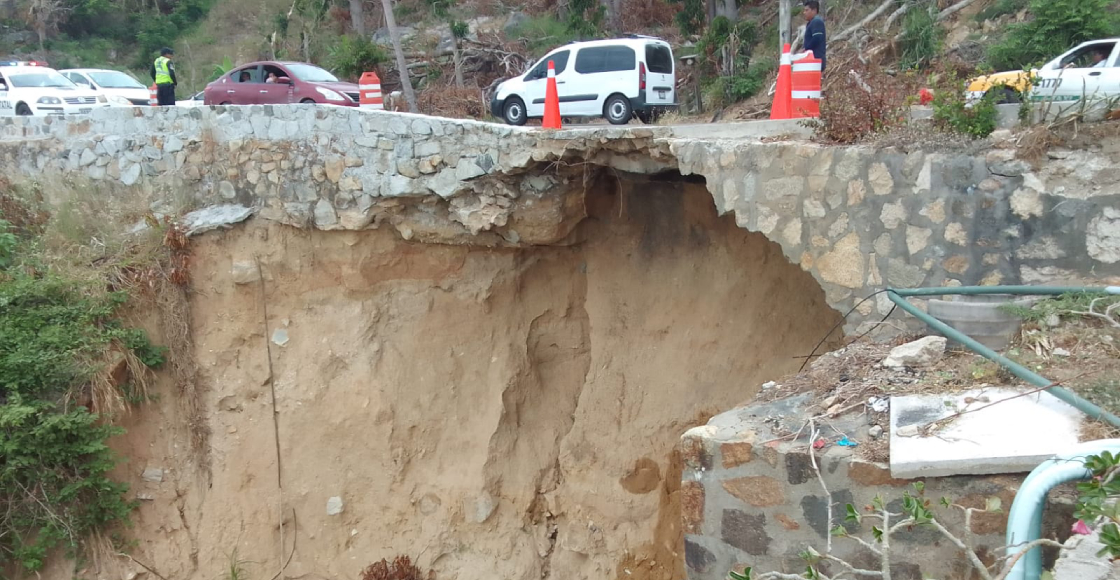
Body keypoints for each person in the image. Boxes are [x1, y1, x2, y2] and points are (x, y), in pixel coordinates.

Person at [803, 0, 826, 72]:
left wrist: (806, 49)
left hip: (816, 59)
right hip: (812, 60)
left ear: (814, 10)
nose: (804, 13)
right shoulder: (811, 23)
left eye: (807, 10)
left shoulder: (817, 21)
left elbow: (816, 38)